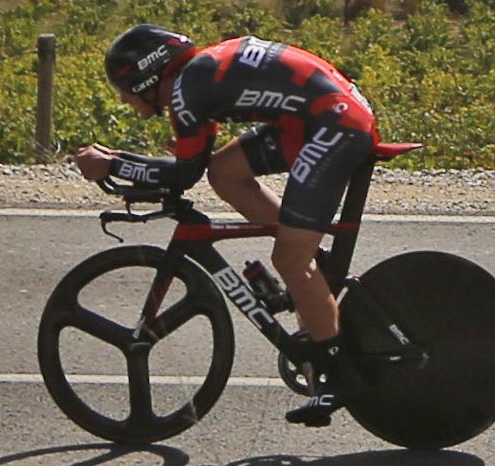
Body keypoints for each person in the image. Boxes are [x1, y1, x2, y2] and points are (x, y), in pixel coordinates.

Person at [76, 24, 380, 427]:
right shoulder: (195, 77)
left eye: (125, 88)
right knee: (224, 171)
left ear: (147, 77)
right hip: (320, 118)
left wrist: (113, 163)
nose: (124, 99)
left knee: (289, 259)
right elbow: (199, 167)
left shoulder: (187, 89)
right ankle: (314, 265)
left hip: (333, 127)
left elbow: (184, 175)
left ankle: (341, 374)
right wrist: (161, 160)